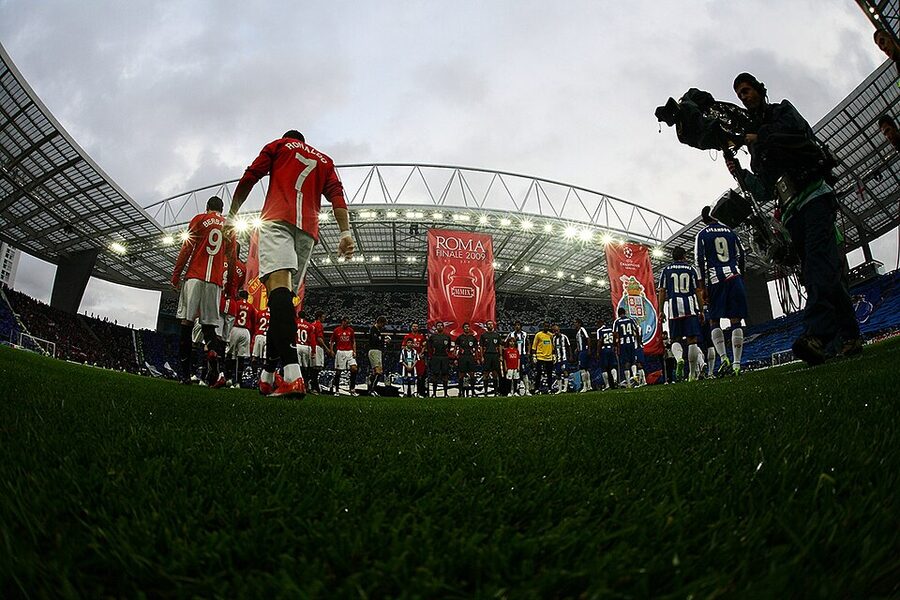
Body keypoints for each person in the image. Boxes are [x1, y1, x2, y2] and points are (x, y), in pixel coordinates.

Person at [727, 73, 862, 365]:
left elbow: (799, 134)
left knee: (817, 265)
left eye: (746, 90)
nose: (744, 97)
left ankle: (817, 335)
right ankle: (849, 336)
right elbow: (766, 189)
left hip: (815, 196)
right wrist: (742, 174)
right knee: (821, 270)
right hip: (791, 212)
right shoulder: (755, 147)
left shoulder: (782, 111)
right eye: (739, 95)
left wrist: (760, 136)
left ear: (760, 89)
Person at [228, 130, 354, 397]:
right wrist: (345, 233)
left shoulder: (278, 146)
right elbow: (337, 196)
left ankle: (293, 375)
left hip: (278, 221)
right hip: (307, 232)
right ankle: (267, 376)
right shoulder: (324, 160)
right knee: (281, 302)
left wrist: (232, 214)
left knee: (279, 298)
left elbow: (250, 176)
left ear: (289, 138)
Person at [171, 195, 230, 388]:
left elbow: (187, 248)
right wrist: (230, 286)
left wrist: (176, 274)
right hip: (214, 281)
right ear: (222, 210)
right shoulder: (229, 226)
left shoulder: (199, 219)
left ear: (207, 207)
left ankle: (185, 375)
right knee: (209, 327)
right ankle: (213, 354)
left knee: (187, 323)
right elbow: (232, 257)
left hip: (195, 276)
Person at [694, 206, 747, 376]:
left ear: (705, 220)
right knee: (736, 320)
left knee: (714, 321)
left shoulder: (702, 234)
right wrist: (741, 274)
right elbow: (742, 254)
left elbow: (699, 261)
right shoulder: (730, 231)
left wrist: (702, 287)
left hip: (716, 279)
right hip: (734, 276)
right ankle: (737, 364)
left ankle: (724, 359)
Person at [658, 246, 706, 381]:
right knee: (692, 340)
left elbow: (662, 291)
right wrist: (701, 310)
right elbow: (697, 291)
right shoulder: (691, 269)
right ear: (684, 256)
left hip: (673, 308)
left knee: (675, 339)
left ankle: (679, 359)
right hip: (689, 307)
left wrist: (661, 311)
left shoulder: (666, 270)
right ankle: (692, 374)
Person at [226, 290, 254, 387]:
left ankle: (229, 378)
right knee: (241, 357)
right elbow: (253, 321)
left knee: (230, 354)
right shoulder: (251, 307)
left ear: (239, 296)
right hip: (245, 331)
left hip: (235, 328)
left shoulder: (236, 304)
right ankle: (238, 382)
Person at [330, 316, 358, 395]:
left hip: (349, 351)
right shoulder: (336, 330)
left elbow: (353, 341)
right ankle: (336, 390)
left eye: (348, 322)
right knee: (338, 372)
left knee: (354, 368)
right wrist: (331, 350)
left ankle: (352, 389)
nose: (347, 324)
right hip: (340, 352)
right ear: (342, 322)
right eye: (346, 322)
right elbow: (332, 341)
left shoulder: (351, 330)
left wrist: (354, 351)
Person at [613, 307, 639, 389]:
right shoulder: (630, 320)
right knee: (633, 360)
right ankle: (634, 375)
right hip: (631, 342)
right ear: (625, 312)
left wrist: (615, 345)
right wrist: (638, 341)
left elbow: (615, 333)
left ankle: (628, 382)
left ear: (618, 313)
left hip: (623, 344)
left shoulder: (617, 321)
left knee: (626, 363)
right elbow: (636, 330)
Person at [505, 321, 531, 395]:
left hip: (522, 356)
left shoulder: (524, 334)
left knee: (524, 373)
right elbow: (505, 343)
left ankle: (527, 390)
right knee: (513, 374)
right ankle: (512, 391)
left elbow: (528, 344)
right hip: (513, 356)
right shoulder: (511, 334)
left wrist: (528, 353)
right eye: (516, 325)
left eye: (518, 325)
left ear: (521, 326)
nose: (517, 326)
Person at [402, 322, 427, 397]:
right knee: (408, 376)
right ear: (411, 327)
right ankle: (408, 393)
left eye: (416, 326)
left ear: (418, 328)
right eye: (413, 326)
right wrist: (409, 353)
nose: (415, 327)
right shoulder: (407, 336)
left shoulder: (421, 336)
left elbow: (424, 346)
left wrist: (421, 353)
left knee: (419, 376)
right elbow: (403, 346)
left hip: (418, 359)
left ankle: (418, 392)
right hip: (409, 359)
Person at [455, 322, 479, 397]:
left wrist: (477, 358)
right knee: (461, 375)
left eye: (468, 327)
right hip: (462, 357)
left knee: (472, 374)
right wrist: (456, 358)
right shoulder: (460, 337)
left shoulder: (473, 338)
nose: (467, 328)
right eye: (465, 327)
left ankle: (473, 391)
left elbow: (476, 349)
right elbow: (456, 348)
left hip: (470, 357)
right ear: (463, 328)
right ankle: (460, 392)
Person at [367, 316, 390, 395]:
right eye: (383, 324)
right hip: (374, 351)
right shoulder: (373, 329)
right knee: (378, 372)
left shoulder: (377, 331)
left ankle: (371, 389)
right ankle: (371, 389)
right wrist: (384, 340)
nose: (383, 326)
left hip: (378, 351)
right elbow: (374, 341)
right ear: (380, 322)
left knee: (378, 372)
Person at [428, 322, 451, 397]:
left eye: (441, 325)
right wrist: (431, 356)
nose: (440, 327)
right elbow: (429, 347)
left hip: (444, 357)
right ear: (436, 327)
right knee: (435, 375)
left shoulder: (447, 337)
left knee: (445, 375)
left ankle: (445, 394)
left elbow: (449, 347)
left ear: (443, 327)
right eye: (438, 325)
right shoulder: (432, 337)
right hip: (435, 357)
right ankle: (434, 394)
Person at [479, 320, 503, 396]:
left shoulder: (497, 335)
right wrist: (482, 356)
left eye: (491, 324)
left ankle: (495, 391)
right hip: (487, 355)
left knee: (495, 373)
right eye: (488, 324)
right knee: (486, 373)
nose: (490, 325)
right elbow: (481, 347)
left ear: (493, 325)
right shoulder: (483, 335)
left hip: (495, 355)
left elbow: (500, 345)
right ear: (486, 326)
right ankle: (485, 391)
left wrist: (500, 355)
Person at [595, 317, 618, 390]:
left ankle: (607, 385)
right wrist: (614, 346)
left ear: (600, 323)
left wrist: (597, 352)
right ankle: (615, 380)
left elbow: (599, 341)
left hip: (604, 349)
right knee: (612, 366)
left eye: (597, 324)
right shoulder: (610, 329)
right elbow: (615, 337)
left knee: (604, 368)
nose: (597, 326)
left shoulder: (600, 330)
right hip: (611, 349)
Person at [531, 322, 555, 394]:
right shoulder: (538, 335)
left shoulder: (551, 335)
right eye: (545, 326)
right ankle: (536, 388)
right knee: (539, 373)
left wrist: (553, 355)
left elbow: (553, 346)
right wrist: (534, 356)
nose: (546, 327)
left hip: (549, 357)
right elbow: (534, 346)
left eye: (547, 326)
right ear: (543, 326)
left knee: (549, 374)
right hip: (540, 357)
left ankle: (550, 388)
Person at [296, 311, 317, 388]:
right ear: (305, 316)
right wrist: (313, 351)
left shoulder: (294, 323)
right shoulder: (309, 326)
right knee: (305, 367)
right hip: (306, 346)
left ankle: (298, 383)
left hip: (297, 345)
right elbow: (312, 339)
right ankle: (305, 384)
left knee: (298, 365)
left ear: (298, 315)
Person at [251, 306, 270, 385]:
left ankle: (255, 377)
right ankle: (262, 379)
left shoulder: (260, 312)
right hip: (268, 337)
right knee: (266, 359)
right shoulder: (275, 314)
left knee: (254, 358)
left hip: (259, 335)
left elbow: (256, 323)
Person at [572, 318, 593, 392]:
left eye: (575, 322)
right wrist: (577, 349)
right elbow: (579, 343)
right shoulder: (577, 333)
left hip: (584, 351)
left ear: (579, 323)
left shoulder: (582, 330)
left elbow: (588, 338)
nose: (574, 324)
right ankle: (589, 386)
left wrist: (589, 349)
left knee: (582, 369)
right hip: (581, 351)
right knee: (586, 369)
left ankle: (585, 386)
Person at [551, 324, 571, 394]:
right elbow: (554, 349)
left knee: (565, 372)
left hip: (564, 358)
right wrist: (553, 357)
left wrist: (570, 356)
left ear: (559, 330)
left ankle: (565, 388)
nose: (556, 332)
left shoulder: (564, 337)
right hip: (557, 359)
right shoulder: (554, 339)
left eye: (557, 330)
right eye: (555, 331)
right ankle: (559, 389)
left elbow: (569, 347)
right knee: (558, 374)